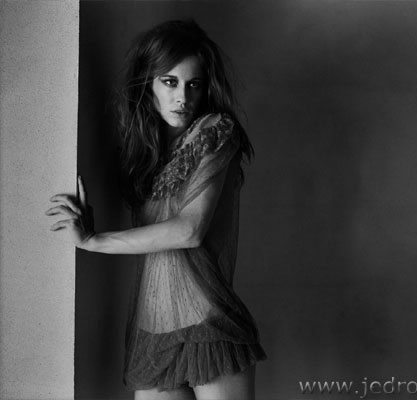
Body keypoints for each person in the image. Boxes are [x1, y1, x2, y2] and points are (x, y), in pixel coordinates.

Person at [46, 19, 266, 400]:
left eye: (194, 84)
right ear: (148, 84)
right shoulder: (147, 153)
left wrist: (94, 241)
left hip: (206, 328)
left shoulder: (215, 132)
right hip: (152, 336)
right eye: (170, 82)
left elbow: (189, 231)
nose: (183, 96)